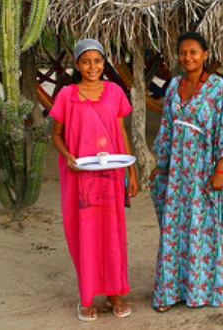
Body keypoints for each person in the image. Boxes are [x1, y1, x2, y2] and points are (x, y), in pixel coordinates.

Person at [50, 38, 138, 321]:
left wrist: (131, 172)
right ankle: (87, 296)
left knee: (112, 234)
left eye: (97, 61)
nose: (92, 67)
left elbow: (122, 134)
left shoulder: (114, 92)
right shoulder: (66, 95)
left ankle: (115, 293)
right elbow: (56, 135)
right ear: (76, 64)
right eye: (86, 61)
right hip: (79, 179)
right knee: (84, 234)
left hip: (111, 176)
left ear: (104, 62)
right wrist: (68, 156)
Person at [149, 31, 223, 312]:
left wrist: (220, 168)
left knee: (201, 228)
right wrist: (158, 164)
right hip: (176, 170)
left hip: (204, 168)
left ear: (205, 55)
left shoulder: (218, 87)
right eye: (183, 52)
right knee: (174, 229)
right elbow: (166, 127)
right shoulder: (173, 86)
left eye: (194, 52)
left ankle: (201, 292)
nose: (187, 57)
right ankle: (169, 293)